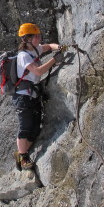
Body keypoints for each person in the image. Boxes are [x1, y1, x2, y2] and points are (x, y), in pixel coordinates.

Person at [13, 23, 64, 170]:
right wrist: (55, 59)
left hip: (32, 94)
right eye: (36, 36)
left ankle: (20, 152)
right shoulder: (23, 56)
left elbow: (48, 46)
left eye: (39, 36)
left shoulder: (35, 49)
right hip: (23, 96)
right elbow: (38, 71)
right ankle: (23, 157)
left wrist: (58, 47)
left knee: (35, 129)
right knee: (25, 127)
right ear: (27, 39)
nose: (39, 38)